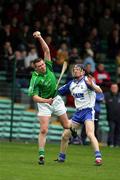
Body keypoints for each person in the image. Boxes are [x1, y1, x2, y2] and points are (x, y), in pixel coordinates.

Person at [28, 31, 75, 165]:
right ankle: (41, 155)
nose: (42, 66)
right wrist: (46, 101)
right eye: (39, 66)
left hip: (57, 99)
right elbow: (35, 97)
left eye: (42, 64)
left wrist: (39, 37)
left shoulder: (48, 65)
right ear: (35, 68)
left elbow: (46, 50)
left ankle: (75, 127)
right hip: (44, 103)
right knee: (44, 129)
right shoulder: (35, 78)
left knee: (66, 125)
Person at [55, 64, 103, 166]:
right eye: (74, 69)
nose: (75, 71)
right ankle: (61, 157)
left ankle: (98, 157)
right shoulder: (71, 84)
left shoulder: (87, 81)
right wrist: (53, 89)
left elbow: (99, 90)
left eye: (78, 69)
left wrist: (93, 85)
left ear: (83, 72)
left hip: (88, 111)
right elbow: (58, 92)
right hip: (78, 113)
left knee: (90, 134)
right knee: (64, 136)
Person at [104, 83, 120, 147]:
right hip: (111, 117)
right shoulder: (107, 95)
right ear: (110, 88)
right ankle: (110, 143)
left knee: (119, 131)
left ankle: (117, 144)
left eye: (115, 88)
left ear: (118, 88)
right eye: (113, 88)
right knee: (112, 130)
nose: (114, 89)